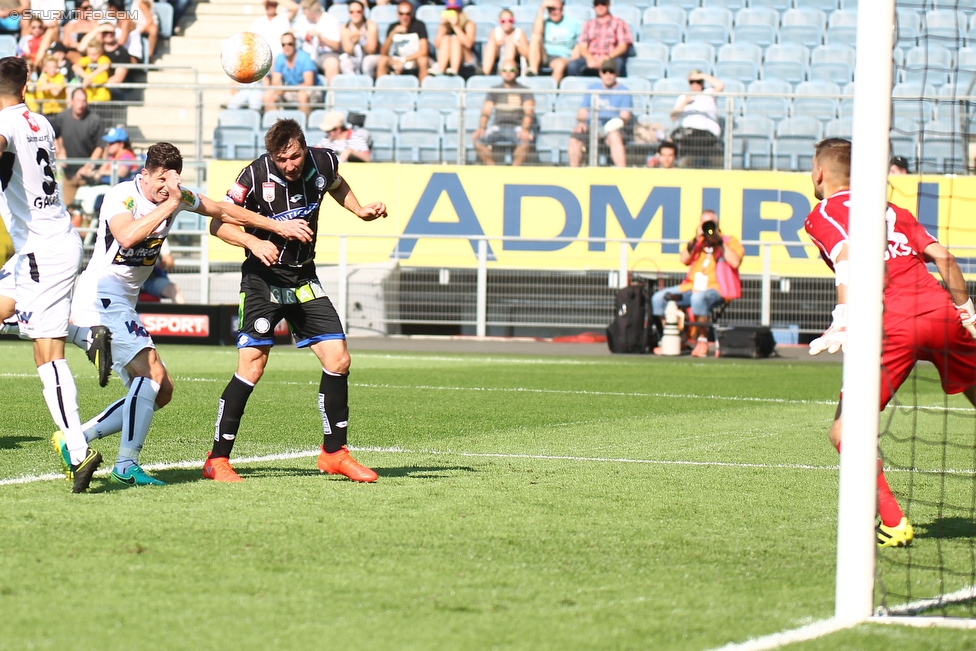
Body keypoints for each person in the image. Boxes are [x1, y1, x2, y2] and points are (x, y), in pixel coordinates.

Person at [67, 141, 314, 487]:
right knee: (150, 376)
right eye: (161, 183)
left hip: (124, 302)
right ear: (145, 174)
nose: (167, 189)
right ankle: (126, 465)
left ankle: (73, 440)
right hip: (101, 297)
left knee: (161, 390)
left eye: (174, 181)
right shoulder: (122, 196)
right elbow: (125, 237)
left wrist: (275, 228)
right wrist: (169, 204)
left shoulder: (176, 196)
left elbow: (224, 212)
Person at [804, 137, 976, 548]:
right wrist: (968, 312)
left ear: (820, 173)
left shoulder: (823, 213)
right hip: (941, 312)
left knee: (846, 430)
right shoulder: (891, 210)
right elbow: (945, 258)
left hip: (891, 326)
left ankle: (894, 521)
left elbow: (845, 257)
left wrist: (842, 318)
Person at [204, 118, 387, 484]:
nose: (291, 165)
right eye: (282, 159)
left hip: (303, 277)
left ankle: (334, 453)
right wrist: (256, 241)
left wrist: (360, 209)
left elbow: (336, 184)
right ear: (272, 156)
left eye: (295, 156)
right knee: (252, 366)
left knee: (339, 359)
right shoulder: (253, 176)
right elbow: (218, 223)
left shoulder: (323, 161)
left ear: (304, 147)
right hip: (262, 280)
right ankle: (217, 459)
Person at [0, 55, 101, 492]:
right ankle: (89, 336)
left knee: (46, 354)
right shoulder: (40, 121)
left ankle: (78, 451)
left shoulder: (8, 124)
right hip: (44, 244)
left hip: (42, 249)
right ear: (26, 87)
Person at [651, 210, 743, 358]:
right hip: (691, 287)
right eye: (703, 223)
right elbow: (683, 259)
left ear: (717, 224)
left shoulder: (728, 241)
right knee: (659, 298)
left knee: (698, 298)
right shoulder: (698, 243)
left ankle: (702, 341)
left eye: (710, 224)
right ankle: (672, 339)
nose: (707, 227)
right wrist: (696, 239)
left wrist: (718, 241)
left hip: (716, 288)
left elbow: (735, 261)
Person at [568, 58, 630, 168]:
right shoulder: (592, 88)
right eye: (605, 71)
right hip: (591, 126)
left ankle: (622, 173)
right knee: (575, 137)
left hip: (612, 128)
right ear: (600, 73)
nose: (608, 75)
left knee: (615, 137)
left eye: (611, 71)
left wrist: (607, 128)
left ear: (617, 73)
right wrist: (581, 123)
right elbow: (582, 112)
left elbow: (625, 117)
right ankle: (574, 172)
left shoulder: (624, 91)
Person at [472, 63, 535, 166]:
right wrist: (481, 127)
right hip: (498, 126)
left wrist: (525, 129)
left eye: (512, 70)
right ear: (500, 72)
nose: (508, 73)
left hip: (517, 127)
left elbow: (529, 112)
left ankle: (514, 171)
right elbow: (486, 111)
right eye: (505, 70)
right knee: (477, 139)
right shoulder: (495, 90)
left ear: (517, 72)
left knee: (526, 140)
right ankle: (493, 170)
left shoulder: (524, 90)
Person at [52, 86, 103, 208]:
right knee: (68, 210)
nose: (81, 104)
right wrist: (59, 151)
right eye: (78, 100)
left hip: (88, 176)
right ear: (71, 101)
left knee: (86, 212)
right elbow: (53, 135)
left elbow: (100, 147)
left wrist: (87, 166)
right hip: (68, 174)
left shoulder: (95, 120)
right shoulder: (62, 117)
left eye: (83, 100)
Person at [670, 70, 724, 169]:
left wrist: (702, 75)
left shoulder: (708, 93)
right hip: (688, 134)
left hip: (707, 134)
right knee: (671, 138)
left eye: (698, 81)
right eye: (692, 82)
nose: (695, 84)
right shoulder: (683, 97)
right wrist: (684, 102)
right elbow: (673, 117)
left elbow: (720, 86)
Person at [565, 0, 631, 78]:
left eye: (603, 3)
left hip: (611, 57)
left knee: (616, 65)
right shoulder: (588, 24)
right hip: (591, 57)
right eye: (596, 4)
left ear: (608, 4)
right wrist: (589, 58)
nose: (600, 6)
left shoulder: (619, 23)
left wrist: (606, 58)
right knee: (572, 66)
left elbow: (623, 46)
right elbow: (582, 46)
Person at [264, 31, 321, 117]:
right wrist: (279, 88)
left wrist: (286, 89)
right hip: (290, 91)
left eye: (290, 44)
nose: (286, 47)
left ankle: (302, 127)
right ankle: (276, 127)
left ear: (295, 44)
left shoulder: (305, 58)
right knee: (268, 95)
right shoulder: (279, 58)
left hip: (310, 91)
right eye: (283, 44)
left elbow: (309, 83)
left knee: (302, 95)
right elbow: (275, 82)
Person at [528, 0, 580, 83]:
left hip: (563, 57)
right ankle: (533, 71)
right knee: (535, 37)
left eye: (555, 9)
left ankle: (550, 92)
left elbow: (583, 39)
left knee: (560, 65)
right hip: (544, 55)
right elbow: (535, 33)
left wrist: (577, 49)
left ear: (562, 9)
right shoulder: (544, 20)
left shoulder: (573, 23)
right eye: (550, 9)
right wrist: (541, 8)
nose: (553, 12)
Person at [375, 1, 429, 81]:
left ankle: (423, 90)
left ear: (412, 14)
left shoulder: (419, 25)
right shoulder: (392, 26)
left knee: (423, 60)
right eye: (401, 14)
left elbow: (424, 51)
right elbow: (383, 52)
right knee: (382, 60)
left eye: (408, 14)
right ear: (397, 14)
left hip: (414, 59)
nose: (404, 17)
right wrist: (392, 34)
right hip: (397, 59)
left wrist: (403, 60)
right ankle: (381, 89)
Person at [293, 0, 341, 84]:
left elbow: (336, 46)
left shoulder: (330, 20)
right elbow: (293, 31)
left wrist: (320, 38)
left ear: (311, 14)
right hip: (306, 54)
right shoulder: (303, 20)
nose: (304, 14)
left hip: (325, 54)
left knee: (332, 63)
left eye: (305, 12)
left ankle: (331, 94)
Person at [431, 0, 476, 78]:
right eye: (449, 10)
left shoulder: (469, 24)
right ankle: (440, 69)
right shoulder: (444, 25)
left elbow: (469, 44)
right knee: (446, 38)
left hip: (467, 57)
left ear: (460, 12)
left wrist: (455, 26)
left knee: (455, 39)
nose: (452, 13)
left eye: (455, 10)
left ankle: (454, 69)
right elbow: (437, 45)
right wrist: (442, 27)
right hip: (448, 56)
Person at [481, 8, 528, 77]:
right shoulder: (495, 32)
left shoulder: (519, 33)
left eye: (510, 20)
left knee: (511, 44)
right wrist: (497, 44)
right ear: (499, 21)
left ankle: (507, 73)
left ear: (513, 21)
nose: (507, 23)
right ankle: (485, 73)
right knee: (491, 45)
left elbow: (527, 54)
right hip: (498, 58)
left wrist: (517, 46)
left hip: (514, 63)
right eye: (503, 21)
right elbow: (489, 50)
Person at [339, 0, 379, 78]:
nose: (355, 14)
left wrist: (361, 40)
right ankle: (354, 85)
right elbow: (348, 50)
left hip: (370, 56)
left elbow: (371, 50)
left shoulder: (370, 25)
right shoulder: (345, 27)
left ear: (363, 12)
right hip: (353, 57)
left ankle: (368, 87)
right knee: (345, 64)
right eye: (352, 12)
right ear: (348, 13)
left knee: (367, 63)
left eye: (358, 11)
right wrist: (353, 41)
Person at [140, 239, 184, 303]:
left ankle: (185, 312)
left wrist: (165, 264)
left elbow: (169, 261)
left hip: (152, 279)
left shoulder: (159, 234)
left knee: (174, 290)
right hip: (129, 278)